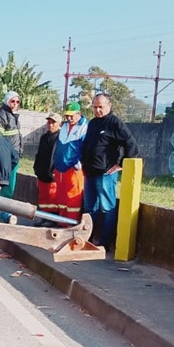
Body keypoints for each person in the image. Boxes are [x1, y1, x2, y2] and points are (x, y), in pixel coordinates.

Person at [82, 93, 139, 249]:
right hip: (90, 172)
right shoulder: (93, 123)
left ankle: (105, 243)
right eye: (95, 107)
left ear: (109, 105)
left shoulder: (115, 123)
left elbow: (131, 144)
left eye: (101, 107)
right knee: (89, 208)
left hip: (105, 173)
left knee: (107, 208)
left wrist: (120, 165)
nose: (98, 110)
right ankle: (88, 238)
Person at [52, 102, 88, 225]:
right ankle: (62, 223)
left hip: (74, 169)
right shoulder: (65, 127)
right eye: (67, 115)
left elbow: (87, 148)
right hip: (60, 167)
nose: (69, 118)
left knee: (73, 198)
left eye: (71, 115)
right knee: (61, 197)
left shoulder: (84, 127)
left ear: (79, 114)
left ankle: (71, 224)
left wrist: (78, 163)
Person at [0, 91, 22, 223]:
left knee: (10, 188)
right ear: (7, 101)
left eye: (17, 102)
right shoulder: (1, 114)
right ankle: (2, 215)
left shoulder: (14, 116)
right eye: (12, 101)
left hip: (15, 157)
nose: (15, 104)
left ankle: (5, 213)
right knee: (5, 188)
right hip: (6, 158)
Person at [33, 112, 62, 220]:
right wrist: (36, 168)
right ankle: (44, 218)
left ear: (59, 124)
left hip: (53, 174)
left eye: (53, 122)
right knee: (43, 198)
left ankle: (52, 219)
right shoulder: (44, 137)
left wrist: (55, 170)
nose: (50, 125)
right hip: (42, 173)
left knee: (52, 198)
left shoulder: (60, 138)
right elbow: (39, 154)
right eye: (49, 122)